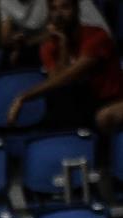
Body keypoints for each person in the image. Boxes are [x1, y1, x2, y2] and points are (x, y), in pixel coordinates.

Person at [10, 0, 123, 129]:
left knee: (104, 117)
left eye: (65, 7)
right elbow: (56, 83)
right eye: (53, 9)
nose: (58, 14)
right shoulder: (49, 46)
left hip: (115, 100)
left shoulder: (97, 36)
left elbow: (68, 76)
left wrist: (24, 97)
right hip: (86, 106)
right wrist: (63, 45)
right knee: (60, 105)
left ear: (76, 10)